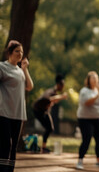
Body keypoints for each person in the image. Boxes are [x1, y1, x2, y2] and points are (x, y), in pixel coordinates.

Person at [0, 40, 34, 172]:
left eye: (22, 52)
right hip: (4, 112)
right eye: (17, 51)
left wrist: (25, 69)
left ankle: (10, 169)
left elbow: (30, 87)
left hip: (19, 113)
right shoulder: (2, 67)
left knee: (14, 145)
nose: (20, 54)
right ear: (9, 52)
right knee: (5, 144)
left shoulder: (20, 71)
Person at [75, 71, 99, 170]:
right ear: (88, 80)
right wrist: (98, 94)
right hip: (85, 119)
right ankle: (80, 161)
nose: (95, 80)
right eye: (93, 78)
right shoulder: (84, 91)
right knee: (87, 139)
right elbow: (87, 103)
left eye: (96, 78)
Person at [32, 74, 68, 153]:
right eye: (62, 85)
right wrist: (62, 96)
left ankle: (43, 148)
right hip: (38, 110)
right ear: (58, 85)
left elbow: (52, 100)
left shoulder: (54, 92)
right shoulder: (50, 91)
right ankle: (42, 147)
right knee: (48, 128)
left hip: (44, 111)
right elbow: (49, 99)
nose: (63, 87)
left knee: (50, 128)